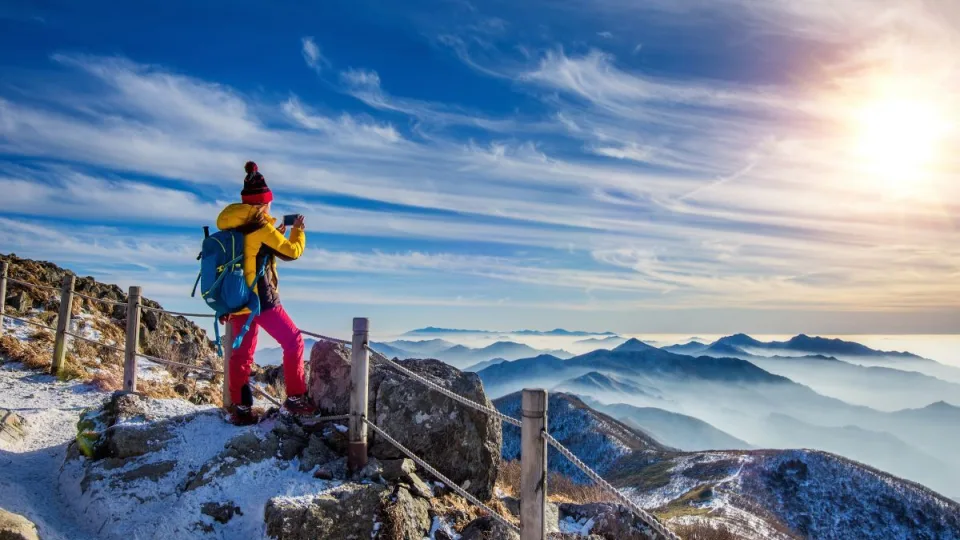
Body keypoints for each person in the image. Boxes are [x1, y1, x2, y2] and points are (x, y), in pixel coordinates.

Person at [216, 161, 313, 425]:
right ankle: (295, 398)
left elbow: (252, 252)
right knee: (293, 341)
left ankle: (241, 409)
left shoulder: (232, 225)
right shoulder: (261, 227)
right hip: (261, 300)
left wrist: (276, 233)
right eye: (268, 203)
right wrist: (298, 231)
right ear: (263, 203)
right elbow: (292, 252)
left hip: (236, 299)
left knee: (242, 355)